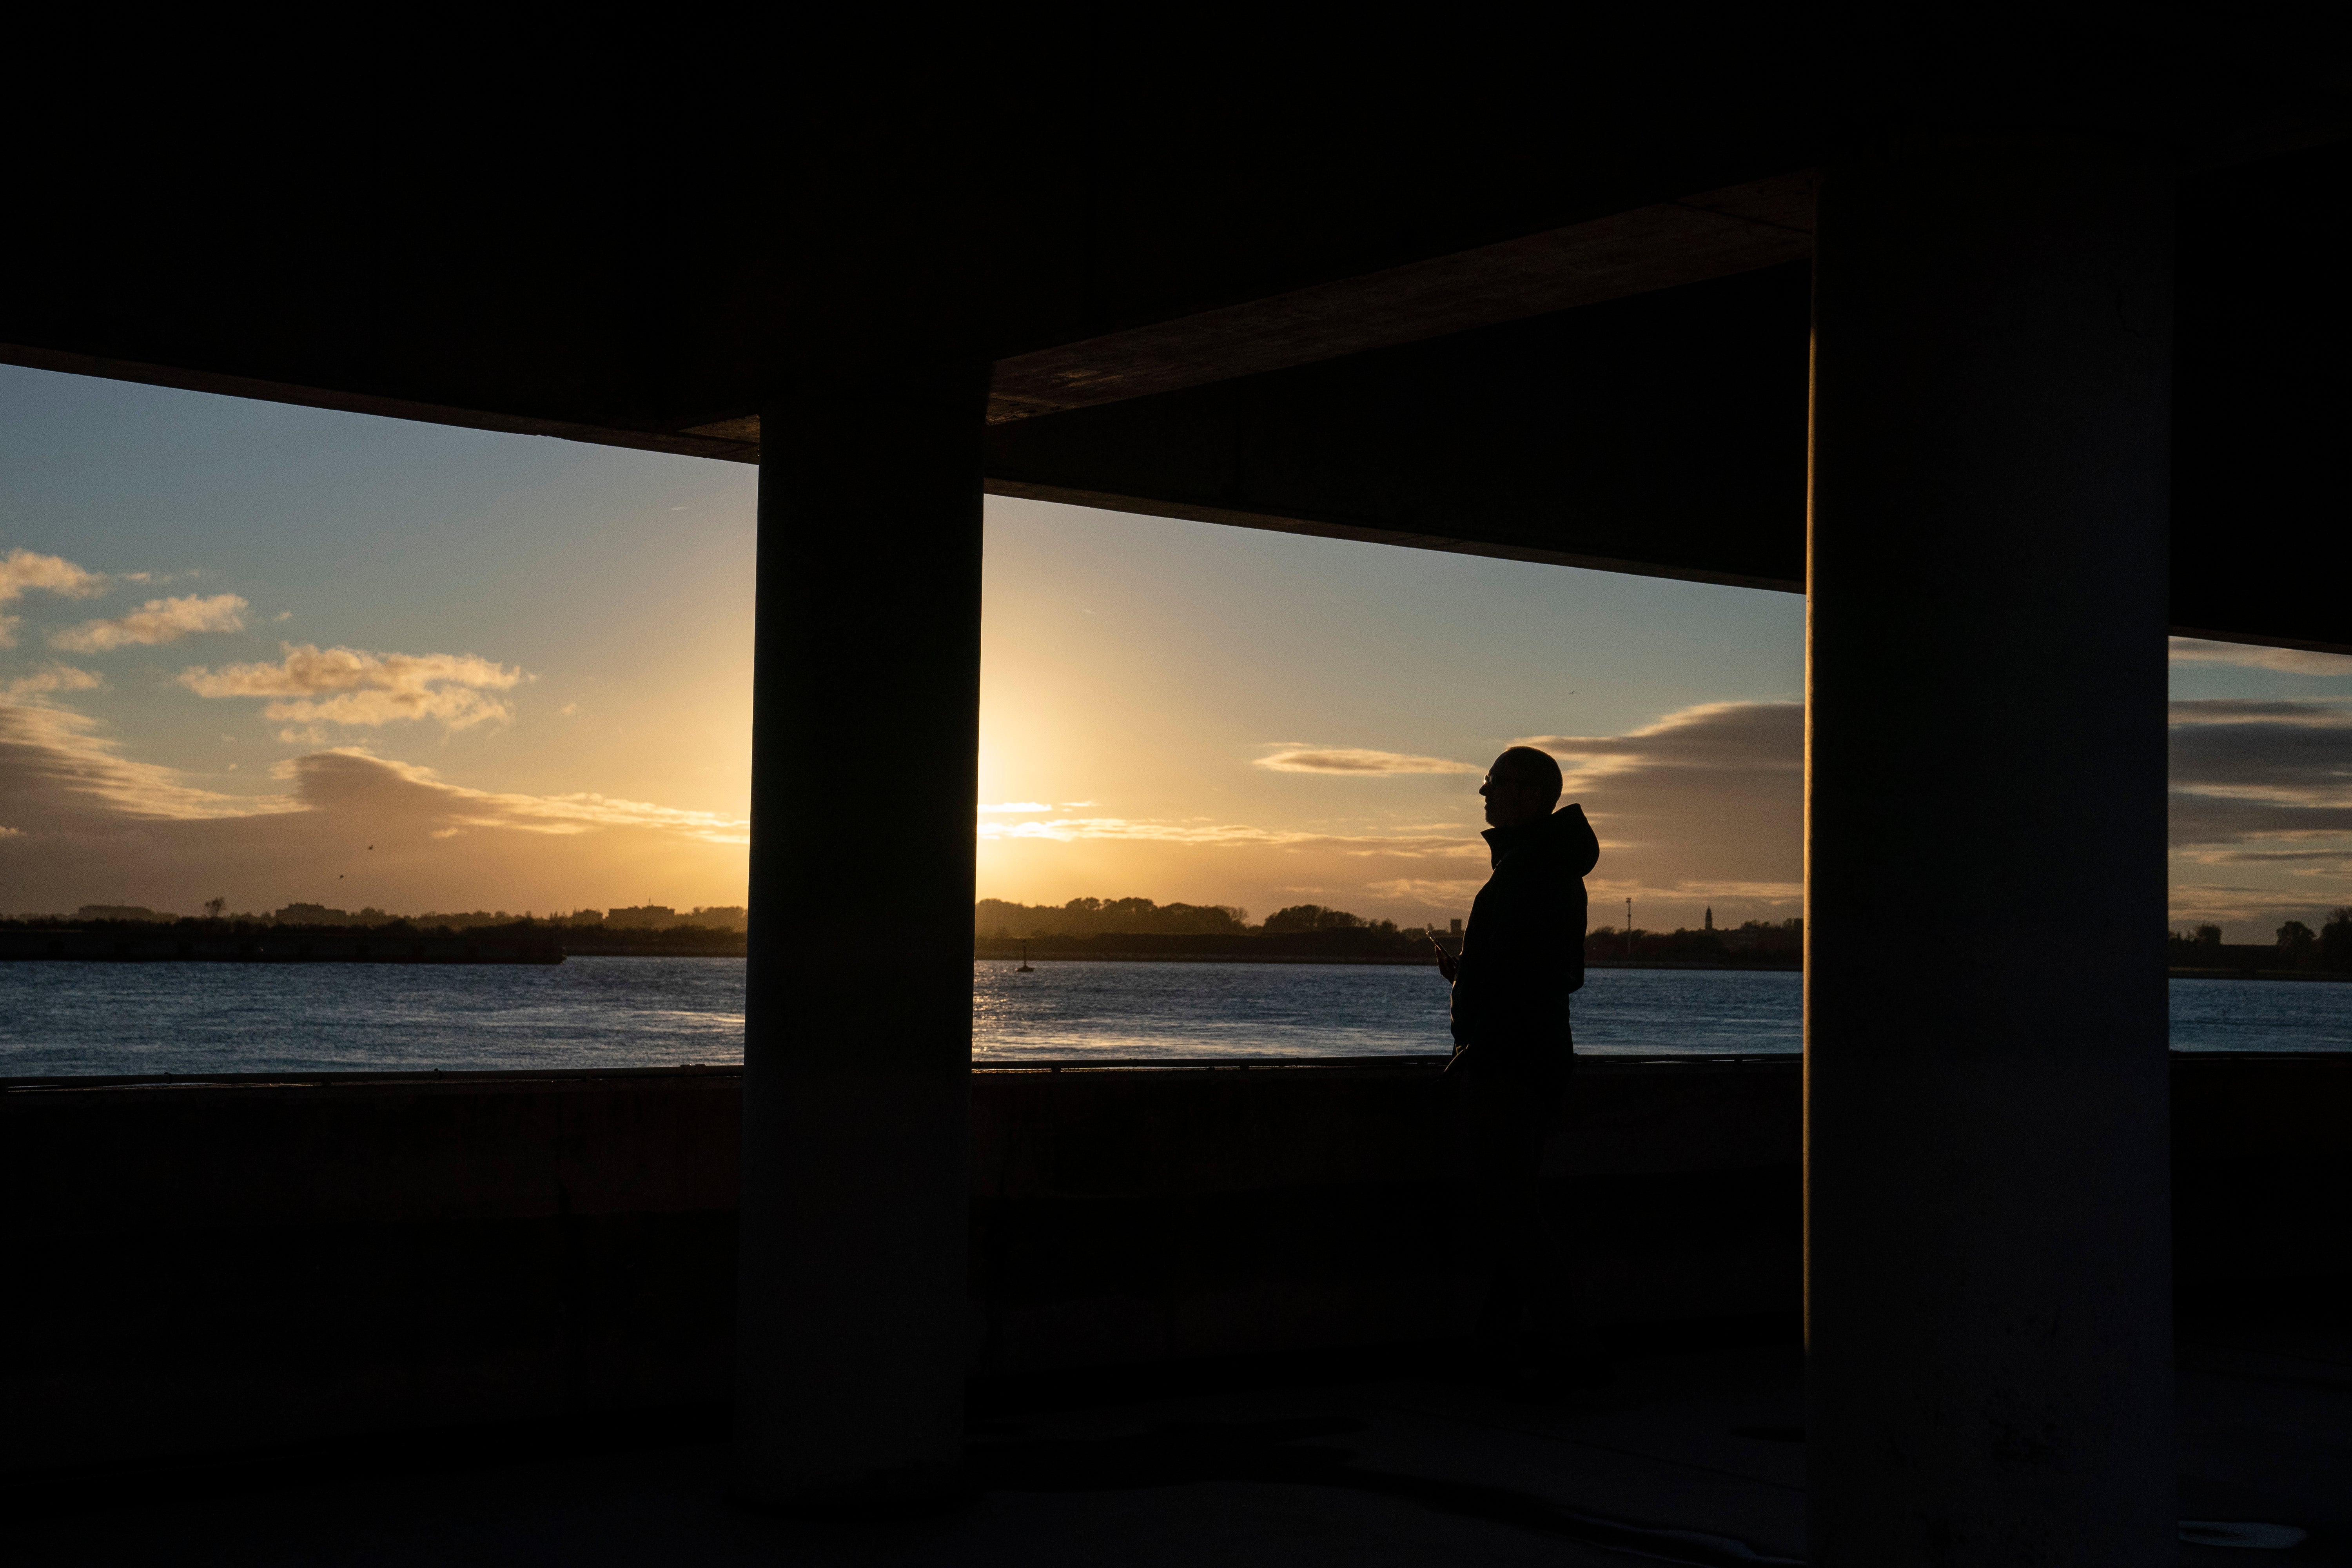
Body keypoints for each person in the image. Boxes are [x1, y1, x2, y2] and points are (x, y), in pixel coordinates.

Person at [1431, 745, 1599, 1384]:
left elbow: (1541, 973)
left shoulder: (1534, 872)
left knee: (1510, 1210)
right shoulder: (1541, 867)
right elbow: (1537, 968)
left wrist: (1481, 1015)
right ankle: (1498, 1345)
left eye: (1493, 784)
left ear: (1528, 796)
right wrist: (1470, 976)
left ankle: (1571, 1352)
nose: (1484, 795)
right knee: (1515, 1207)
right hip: (1531, 1057)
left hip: (1512, 1064)